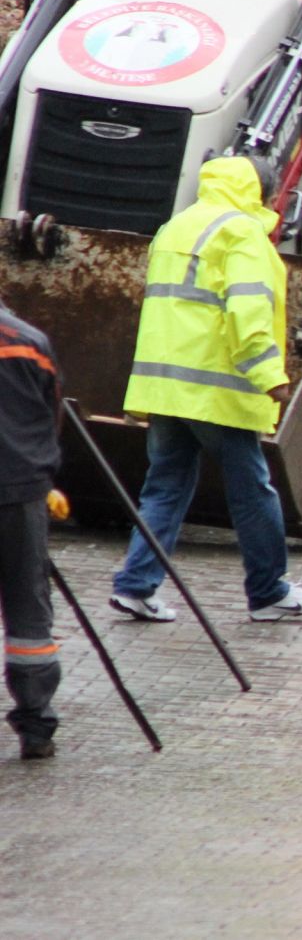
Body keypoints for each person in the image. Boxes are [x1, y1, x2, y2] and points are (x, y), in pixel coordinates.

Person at [110, 155, 302, 623]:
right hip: (214, 389)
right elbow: (247, 315)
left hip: (164, 385)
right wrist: (272, 377)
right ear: (265, 193)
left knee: (164, 487)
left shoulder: (177, 226)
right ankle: (269, 592)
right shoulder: (242, 233)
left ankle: (135, 586)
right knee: (253, 490)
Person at [0, 295, 63, 759]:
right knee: (27, 611)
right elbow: (50, 415)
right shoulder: (31, 342)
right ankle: (36, 724)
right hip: (21, 494)